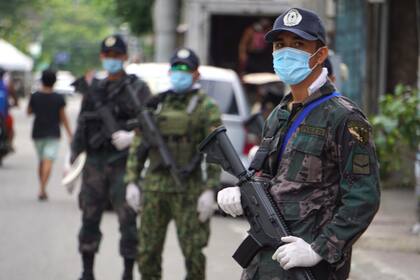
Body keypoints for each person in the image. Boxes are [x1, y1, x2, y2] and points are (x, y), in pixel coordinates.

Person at [217, 8, 380, 280]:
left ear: (320, 55)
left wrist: (320, 249)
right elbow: (266, 174)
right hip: (264, 262)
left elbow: (363, 197)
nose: (286, 52)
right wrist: (240, 191)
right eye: (280, 45)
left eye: (298, 44)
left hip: (309, 267)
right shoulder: (279, 113)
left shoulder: (345, 118)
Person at [124, 48, 222, 280]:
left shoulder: (206, 106)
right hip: (155, 187)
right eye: (176, 69)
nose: (180, 74)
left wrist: (210, 189)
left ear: (196, 74)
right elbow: (139, 145)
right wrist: (131, 181)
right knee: (147, 252)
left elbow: (216, 151)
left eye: (185, 70)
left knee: (194, 254)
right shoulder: (156, 104)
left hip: (188, 189)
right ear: (169, 72)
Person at [70, 34, 151, 280]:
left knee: (128, 221)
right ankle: (87, 272)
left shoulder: (138, 88)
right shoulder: (94, 88)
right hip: (94, 164)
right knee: (89, 218)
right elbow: (82, 125)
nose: (111, 60)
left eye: (116, 56)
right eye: (107, 56)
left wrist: (131, 135)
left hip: (124, 163)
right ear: (101, 58)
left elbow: (150, 124)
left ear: (125, 57)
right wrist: (71, 157)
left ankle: (127, 273)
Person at [27, 69, 72, 200]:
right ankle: (42, 188)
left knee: (41, 161)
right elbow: (63, 117)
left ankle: (42, 187)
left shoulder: (35, 96)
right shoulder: (58, 98)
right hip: (53, 133)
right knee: (48, 161)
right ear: (54, 81)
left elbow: (29, 112)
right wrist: (70, 134)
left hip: (37, 133)